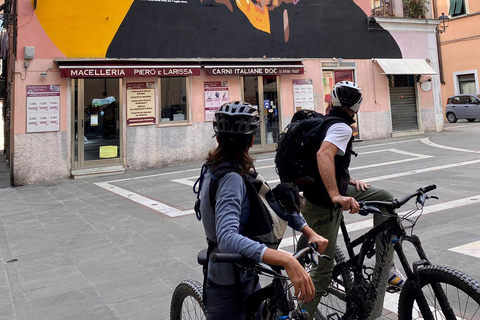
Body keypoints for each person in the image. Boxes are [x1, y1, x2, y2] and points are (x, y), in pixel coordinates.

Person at [199, 101, 329, 320]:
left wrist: (308, 231)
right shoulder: (231, 178)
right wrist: (286, 259)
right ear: (251, 140)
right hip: (229, 285)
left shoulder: (220, 167)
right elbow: (227, 236)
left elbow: (272, 202)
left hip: (245, 272)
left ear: (218, 138)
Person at [298, 81, 404, 318]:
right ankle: (298, 314)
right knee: (323, 275)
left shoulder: (324, 123)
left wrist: (347, 181)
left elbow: (328, 161)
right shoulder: (342, 128)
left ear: (332, 100)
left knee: (385, 199)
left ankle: (385, 264)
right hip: (323, 203)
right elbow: (323, 154)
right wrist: (336, 194)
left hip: (316, 194)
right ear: (357, 106)